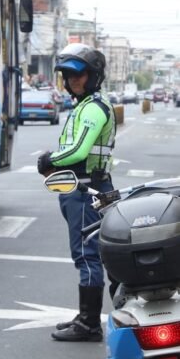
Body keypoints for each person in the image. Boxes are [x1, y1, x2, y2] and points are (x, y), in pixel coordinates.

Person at [37, 43, 117, 343]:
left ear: (93, 75)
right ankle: (87, 316)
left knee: (87, 255)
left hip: (87, 189)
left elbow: (78, 150)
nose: (73, 80)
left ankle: (89, 324)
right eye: (68, 75)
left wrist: (49, 160)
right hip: (84, 186)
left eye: (79, 75)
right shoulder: (84, 105)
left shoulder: (93, 108)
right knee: (90, 253)